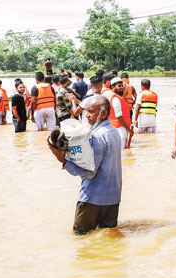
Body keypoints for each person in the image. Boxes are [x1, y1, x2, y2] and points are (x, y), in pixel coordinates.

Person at [48, 95, 123, 235]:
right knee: (108, 240)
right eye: (86, 111)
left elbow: (90, 172)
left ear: (104, 113)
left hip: (92, 198)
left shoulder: (96, 136)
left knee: (81, 239)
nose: (87, 115)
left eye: (91, 111)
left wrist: (64, 161)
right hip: (112, 199)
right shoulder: (114, 132)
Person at [105, 77, 133, 148]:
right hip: (119, 128)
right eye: (119, 86)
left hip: (119, 127)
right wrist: (129, 129)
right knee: (121, 151)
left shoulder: (119, 97)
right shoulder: (116, 99)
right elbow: (119, 116)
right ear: (113, 87)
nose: (121, 88)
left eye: (122, 86)